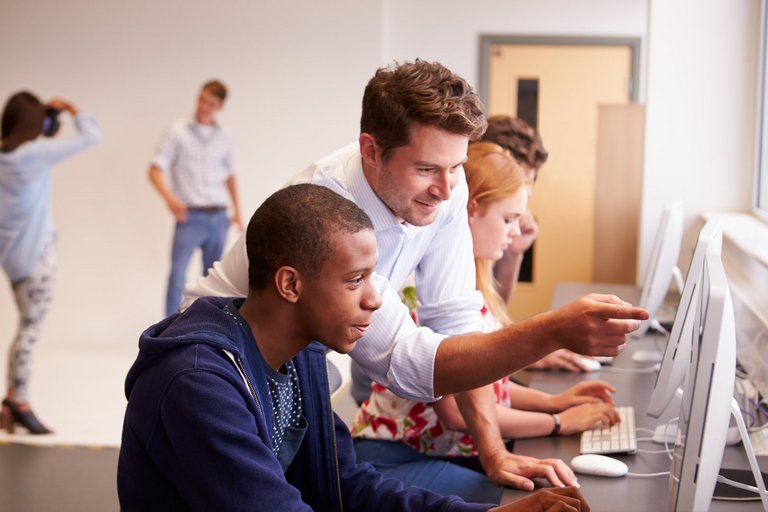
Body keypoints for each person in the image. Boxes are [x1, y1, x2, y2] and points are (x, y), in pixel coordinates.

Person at [183, 59, 648, 490]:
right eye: (426, 168)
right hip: (227, 364)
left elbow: (457, 322)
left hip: (301, 369)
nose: (447, 190)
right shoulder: (329, 209)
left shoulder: (445, 183)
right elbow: (411, 366)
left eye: (456, 167)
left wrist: (493, 454)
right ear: (371, 150)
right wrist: (552, 331)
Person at [117, 183, 591, 512]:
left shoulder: (299, 357)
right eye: (355, 280)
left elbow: (346, 485)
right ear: (290, 284)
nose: (374, 298)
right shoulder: (197, 384)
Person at [351, 142, 620, 503]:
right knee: (524, 498)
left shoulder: (472, 290)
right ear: (471, 210)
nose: (513, 235)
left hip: (435, 451)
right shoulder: (422, 295)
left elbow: (490, 388)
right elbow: (455, 413)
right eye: (508, 219)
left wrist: (554, 402)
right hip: (390, 460)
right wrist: (559, 422)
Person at [0, 91, 101, 434]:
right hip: (37, 260)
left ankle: (12, 399)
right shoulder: (35, 155)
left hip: (12, 261)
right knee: (30, 329)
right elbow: (91, 136)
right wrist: (73, 109)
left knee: (24, 327)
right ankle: (19, 402)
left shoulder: (6, 156)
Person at [479, 115, 591, 373]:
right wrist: (527, 355)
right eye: (519, 180)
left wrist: (514, 252)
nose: (525, 193)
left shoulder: (498, 228)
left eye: (530, 182)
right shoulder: (474, 226)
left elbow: (492, 314)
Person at [147, 79, 243, 317]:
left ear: (219, 106)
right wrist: (170, 199)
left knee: (215, 282)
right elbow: (155, 169)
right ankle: (168, 333)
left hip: (218, 216)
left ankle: (207, 331)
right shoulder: (177, 131)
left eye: (210, 103)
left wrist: (237, 211)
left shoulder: (224, 137)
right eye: (201, 99)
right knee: (177, 276)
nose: (203, 106)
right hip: (189, 216)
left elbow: (230, 175)